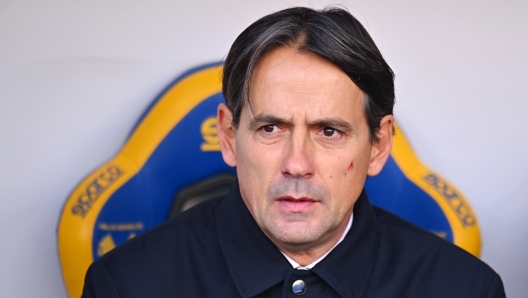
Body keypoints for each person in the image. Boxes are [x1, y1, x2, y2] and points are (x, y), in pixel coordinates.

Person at [82, 7, 505, 297]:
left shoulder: (464, 288)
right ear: (228, 136)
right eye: (270, 128)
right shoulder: (126, 285)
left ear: (379, 146)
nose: (297, 164)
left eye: (329, 132)